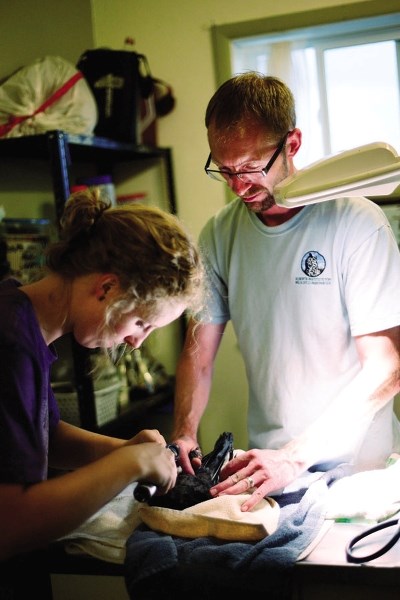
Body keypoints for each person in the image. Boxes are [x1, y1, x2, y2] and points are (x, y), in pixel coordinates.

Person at [171, 72, 400, 513]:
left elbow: (387, 367)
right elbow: (197, 354)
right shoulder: (221, 234)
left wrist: (296, 457)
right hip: (270, 465)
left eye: (251, 167)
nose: (238, 186)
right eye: (225, 170)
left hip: (359, 468)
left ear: (291, 144)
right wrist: (184, 430)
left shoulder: (356, 223)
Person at [0, 188, 204, 563]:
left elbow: (38, 435)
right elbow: (10, 524)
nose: (136, 342)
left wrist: (123, 450)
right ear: (107, 287)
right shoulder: (12, 342)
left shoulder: (21, 316)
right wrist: (131, 465)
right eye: (141, 322)